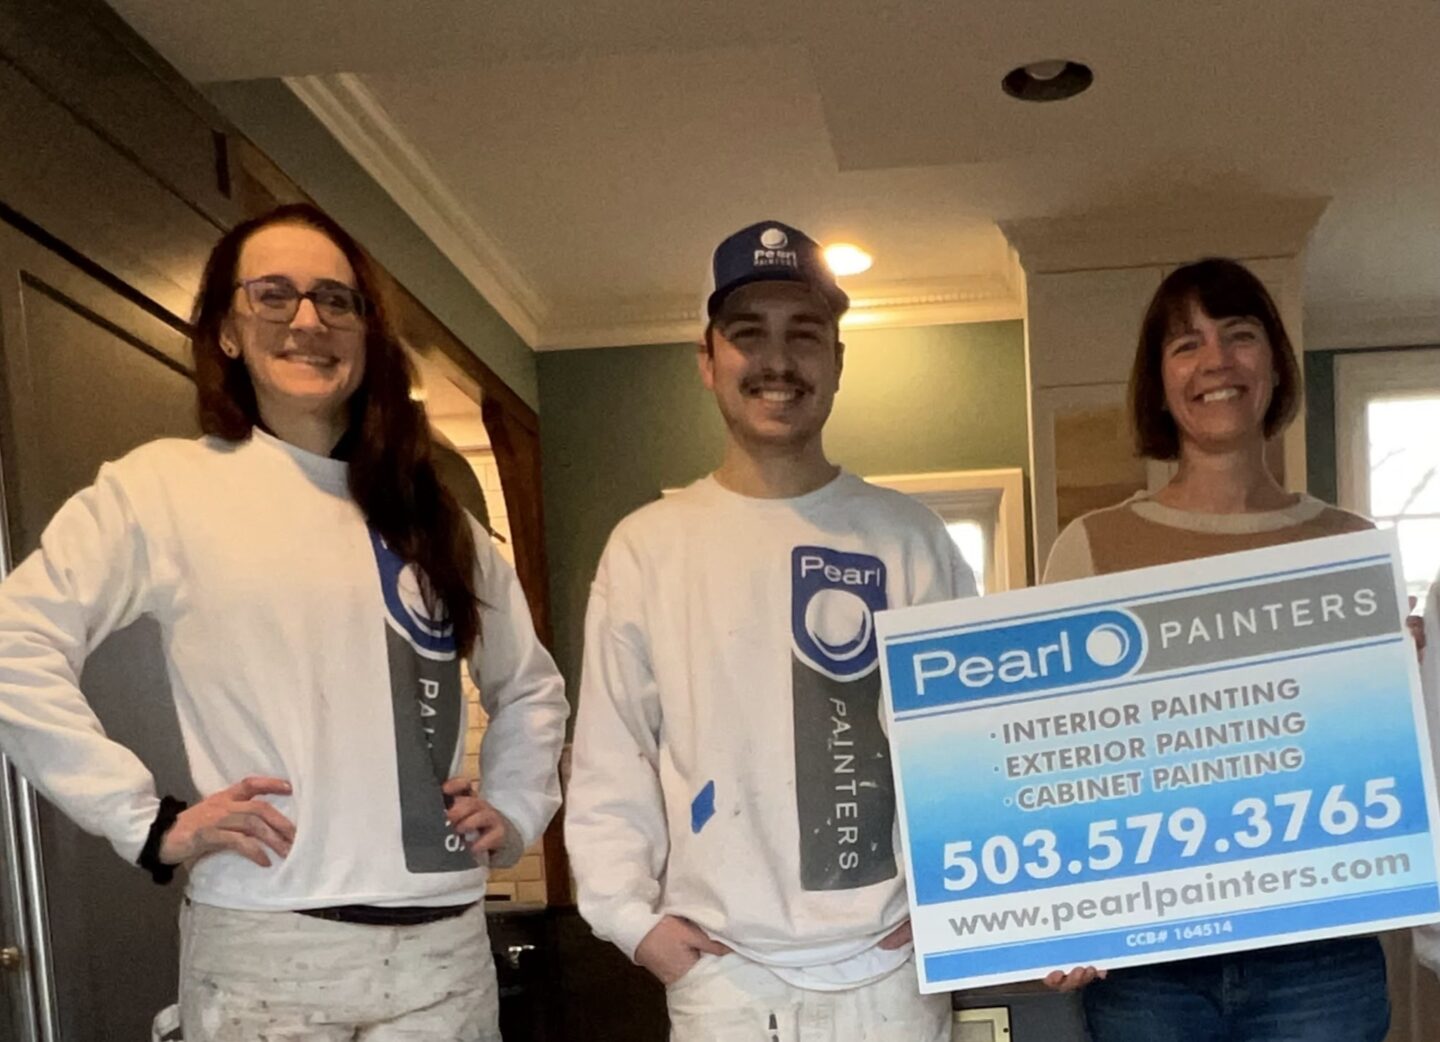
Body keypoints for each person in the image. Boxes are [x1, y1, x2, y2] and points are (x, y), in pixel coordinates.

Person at [0, 202, 568, 1040]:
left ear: (368, 333)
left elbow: (530, 689)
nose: (309, 320)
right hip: (268, 949)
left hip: (443, 952)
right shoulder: (163, 489)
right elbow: (16, 646)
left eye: (337, 300)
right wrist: (146, 821)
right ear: (227, 330)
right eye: (274, 295)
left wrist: (516, 806)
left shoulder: (436, 518)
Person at [564, 220, 975, 1040]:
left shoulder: (913, 539)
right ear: (708, 361)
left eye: (805, 334)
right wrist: (631, 922)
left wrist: (955, 908)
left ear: (838, 361)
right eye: (749, 335)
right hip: (725, 982)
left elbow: (966, 745)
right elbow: (613, 757)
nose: (777, 361)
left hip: (892, 974)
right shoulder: (649, 547)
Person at [1042, 257, 1388, 1041]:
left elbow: (1373, 756)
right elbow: (1065, 760)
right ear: (1159, 381)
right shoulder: (1092, 547)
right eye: (1185, 345)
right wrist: (1051, 910)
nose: (1216, 362)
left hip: (1318, 957)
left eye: (1239, 335)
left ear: (1273, 364)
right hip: (1149, 967)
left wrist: (1401, 682)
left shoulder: (1350, 546)